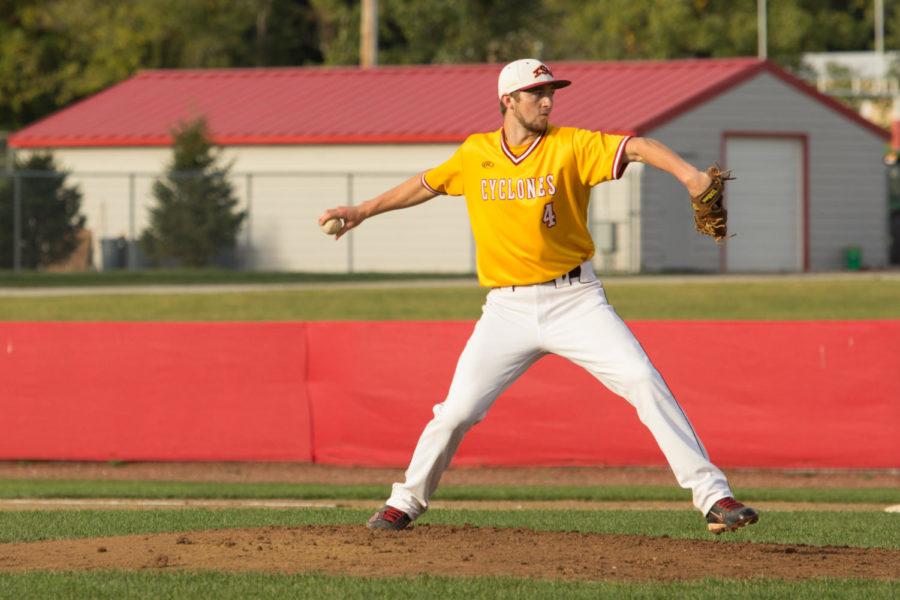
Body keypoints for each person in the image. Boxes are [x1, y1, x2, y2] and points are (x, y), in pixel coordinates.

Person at [318, 58, 759, 535]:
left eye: (551, 91)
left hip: (576, 300)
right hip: (506, 310)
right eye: (536, 93)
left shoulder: (571, 145)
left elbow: (637, 147)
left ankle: (714, 497)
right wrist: (363, 209)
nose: (547, 100)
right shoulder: (476, 153)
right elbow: (427, 184)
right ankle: (403, 502)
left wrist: (690, 176)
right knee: (457, 412)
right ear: (508, 100)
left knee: (642, 380)